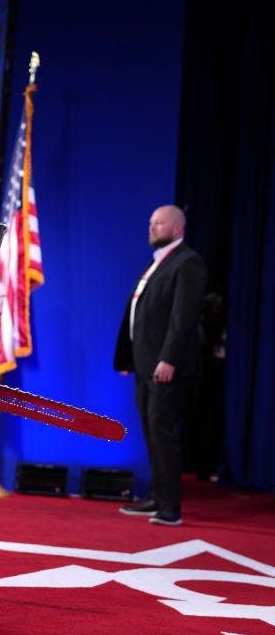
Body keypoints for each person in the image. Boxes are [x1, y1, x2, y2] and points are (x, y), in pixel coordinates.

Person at [113, 204, 207, 526]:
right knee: (152, 432)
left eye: (159, 222)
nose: (152, 227)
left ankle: (170, 506)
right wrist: (127, 357)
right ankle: (156, 496)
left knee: (163, 433)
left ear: (177, 228)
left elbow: (182, 320)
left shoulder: (187, 262)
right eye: (151, 222)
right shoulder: (157, 264)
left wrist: (168, 358)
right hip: (144, 365)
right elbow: (138, 315)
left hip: (166, 367)